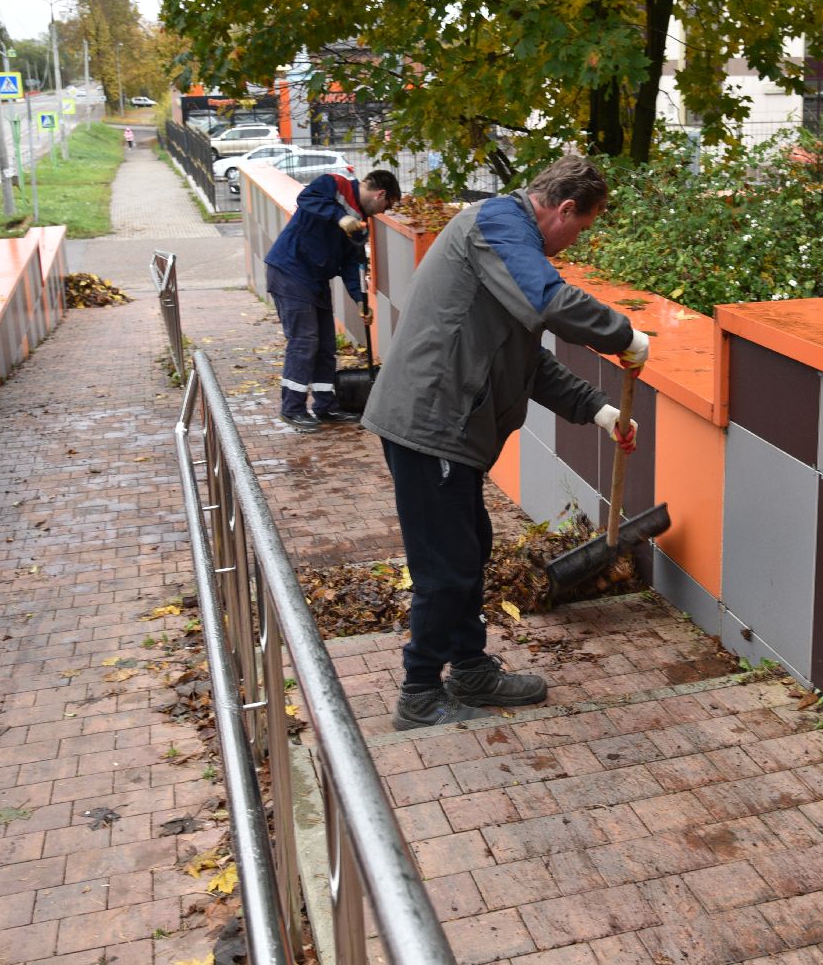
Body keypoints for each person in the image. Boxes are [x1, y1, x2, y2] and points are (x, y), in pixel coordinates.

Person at [361, 156, 649, 730]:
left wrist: (599, 410)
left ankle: (469, 669)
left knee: (468, 549)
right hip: (431, 423)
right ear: (564, 209)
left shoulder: (506, 244)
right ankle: (419, 692)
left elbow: (524, 358)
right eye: (581, 228)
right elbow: (550, 302)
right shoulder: (496, 225)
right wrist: (625, 334)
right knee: (445, 565)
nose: (572, 244)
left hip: (451, 428)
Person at [265, 170, 401, 431]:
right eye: (387, 204)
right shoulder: (334, 184)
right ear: (380, 194)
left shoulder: (361, 224)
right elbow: (308, 199)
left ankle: (325, 405)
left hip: (315, 280)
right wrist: (341, 217)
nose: (383, 211)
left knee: (326, 345)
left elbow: (354, 264)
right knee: (304, 340)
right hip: (290, 270)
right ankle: (292, 408)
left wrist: (360, 300)